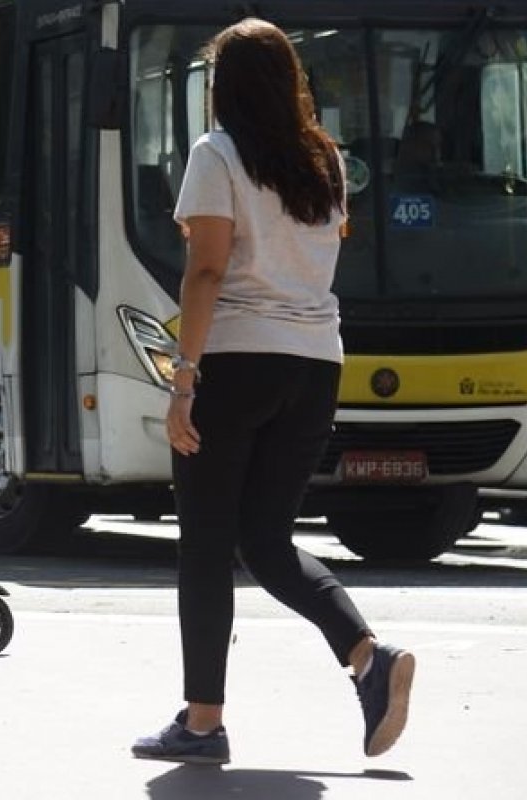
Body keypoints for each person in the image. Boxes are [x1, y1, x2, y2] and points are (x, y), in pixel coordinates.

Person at [131, 18, 414, 765]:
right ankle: (368, 658)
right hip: (316, 364)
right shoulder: (324, 160)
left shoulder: (216, 154)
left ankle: (201, 722)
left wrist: (183, 380)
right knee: (264, 540)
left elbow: (207, 273)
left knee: (205, 545)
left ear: (222, 87)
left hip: (237, 361)